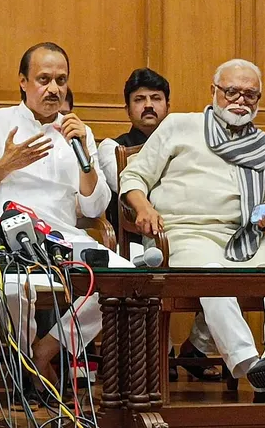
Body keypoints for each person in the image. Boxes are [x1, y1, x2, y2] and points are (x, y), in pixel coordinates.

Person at [0, 42, 133, 403]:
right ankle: (24, 369)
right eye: (44, 79)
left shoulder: (77, 132)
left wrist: (85, 160)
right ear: (23, 81)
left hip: (62, 235)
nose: (54, 89)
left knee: (125, 280)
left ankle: (45, 350)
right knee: (14, 287)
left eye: (61, 80)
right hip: (2, 235)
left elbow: (95, 205)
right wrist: (5, 165)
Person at [120, 58, 265, 402]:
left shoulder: (264, 146)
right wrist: (145, 207)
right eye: (231, 92)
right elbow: (134, 177)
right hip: (186, 234)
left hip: (246, 237)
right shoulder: (179, 126)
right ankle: (251, 368)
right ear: (213, 91)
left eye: (250, 95)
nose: (240, 101)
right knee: (211, 275)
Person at [99, 68, 220, 381]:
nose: (148, 105)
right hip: (136, 239)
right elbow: (127, 190)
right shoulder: (112, 146)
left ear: (168, 105)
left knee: (231, 261)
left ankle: (196, 345)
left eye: (156, 98)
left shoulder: (189, 147)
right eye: (139, 99)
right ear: (128, 108)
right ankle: (159, 351)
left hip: (191, 232)